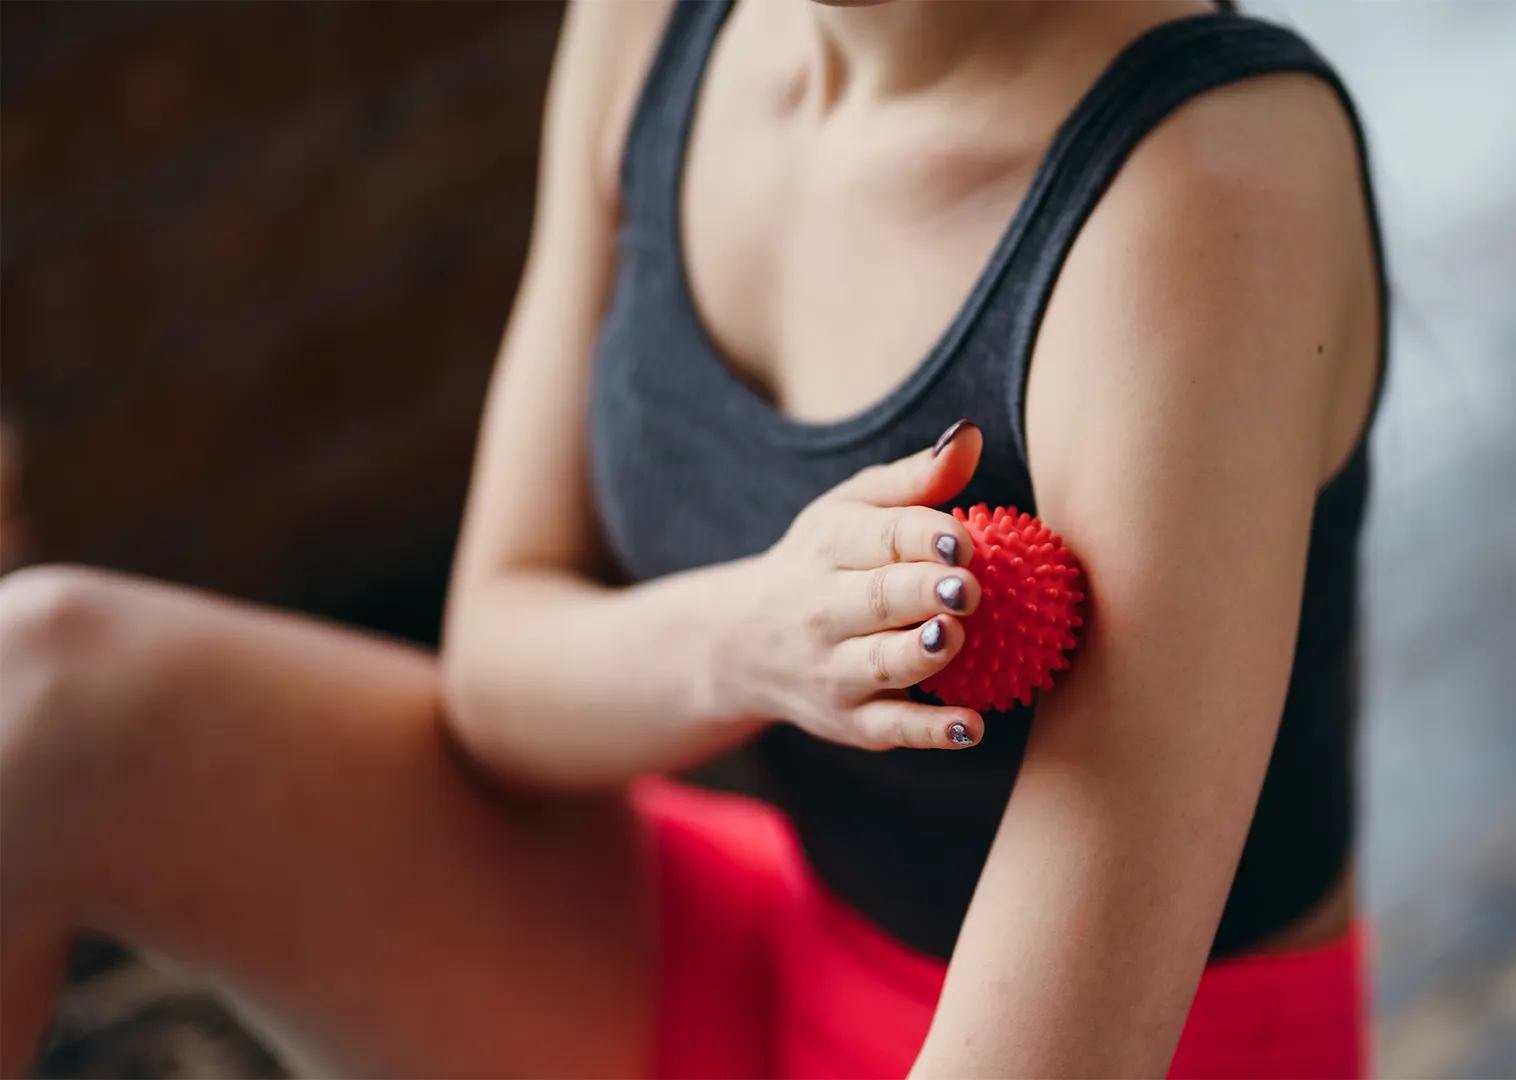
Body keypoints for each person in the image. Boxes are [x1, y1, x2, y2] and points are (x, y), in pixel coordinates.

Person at [0, 0, 1386, 1075]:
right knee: (40, 696)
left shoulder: (1209, 192)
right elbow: (494, 679)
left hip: (1104, 1051)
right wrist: (755, 636)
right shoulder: (651, 23)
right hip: (776, 944)